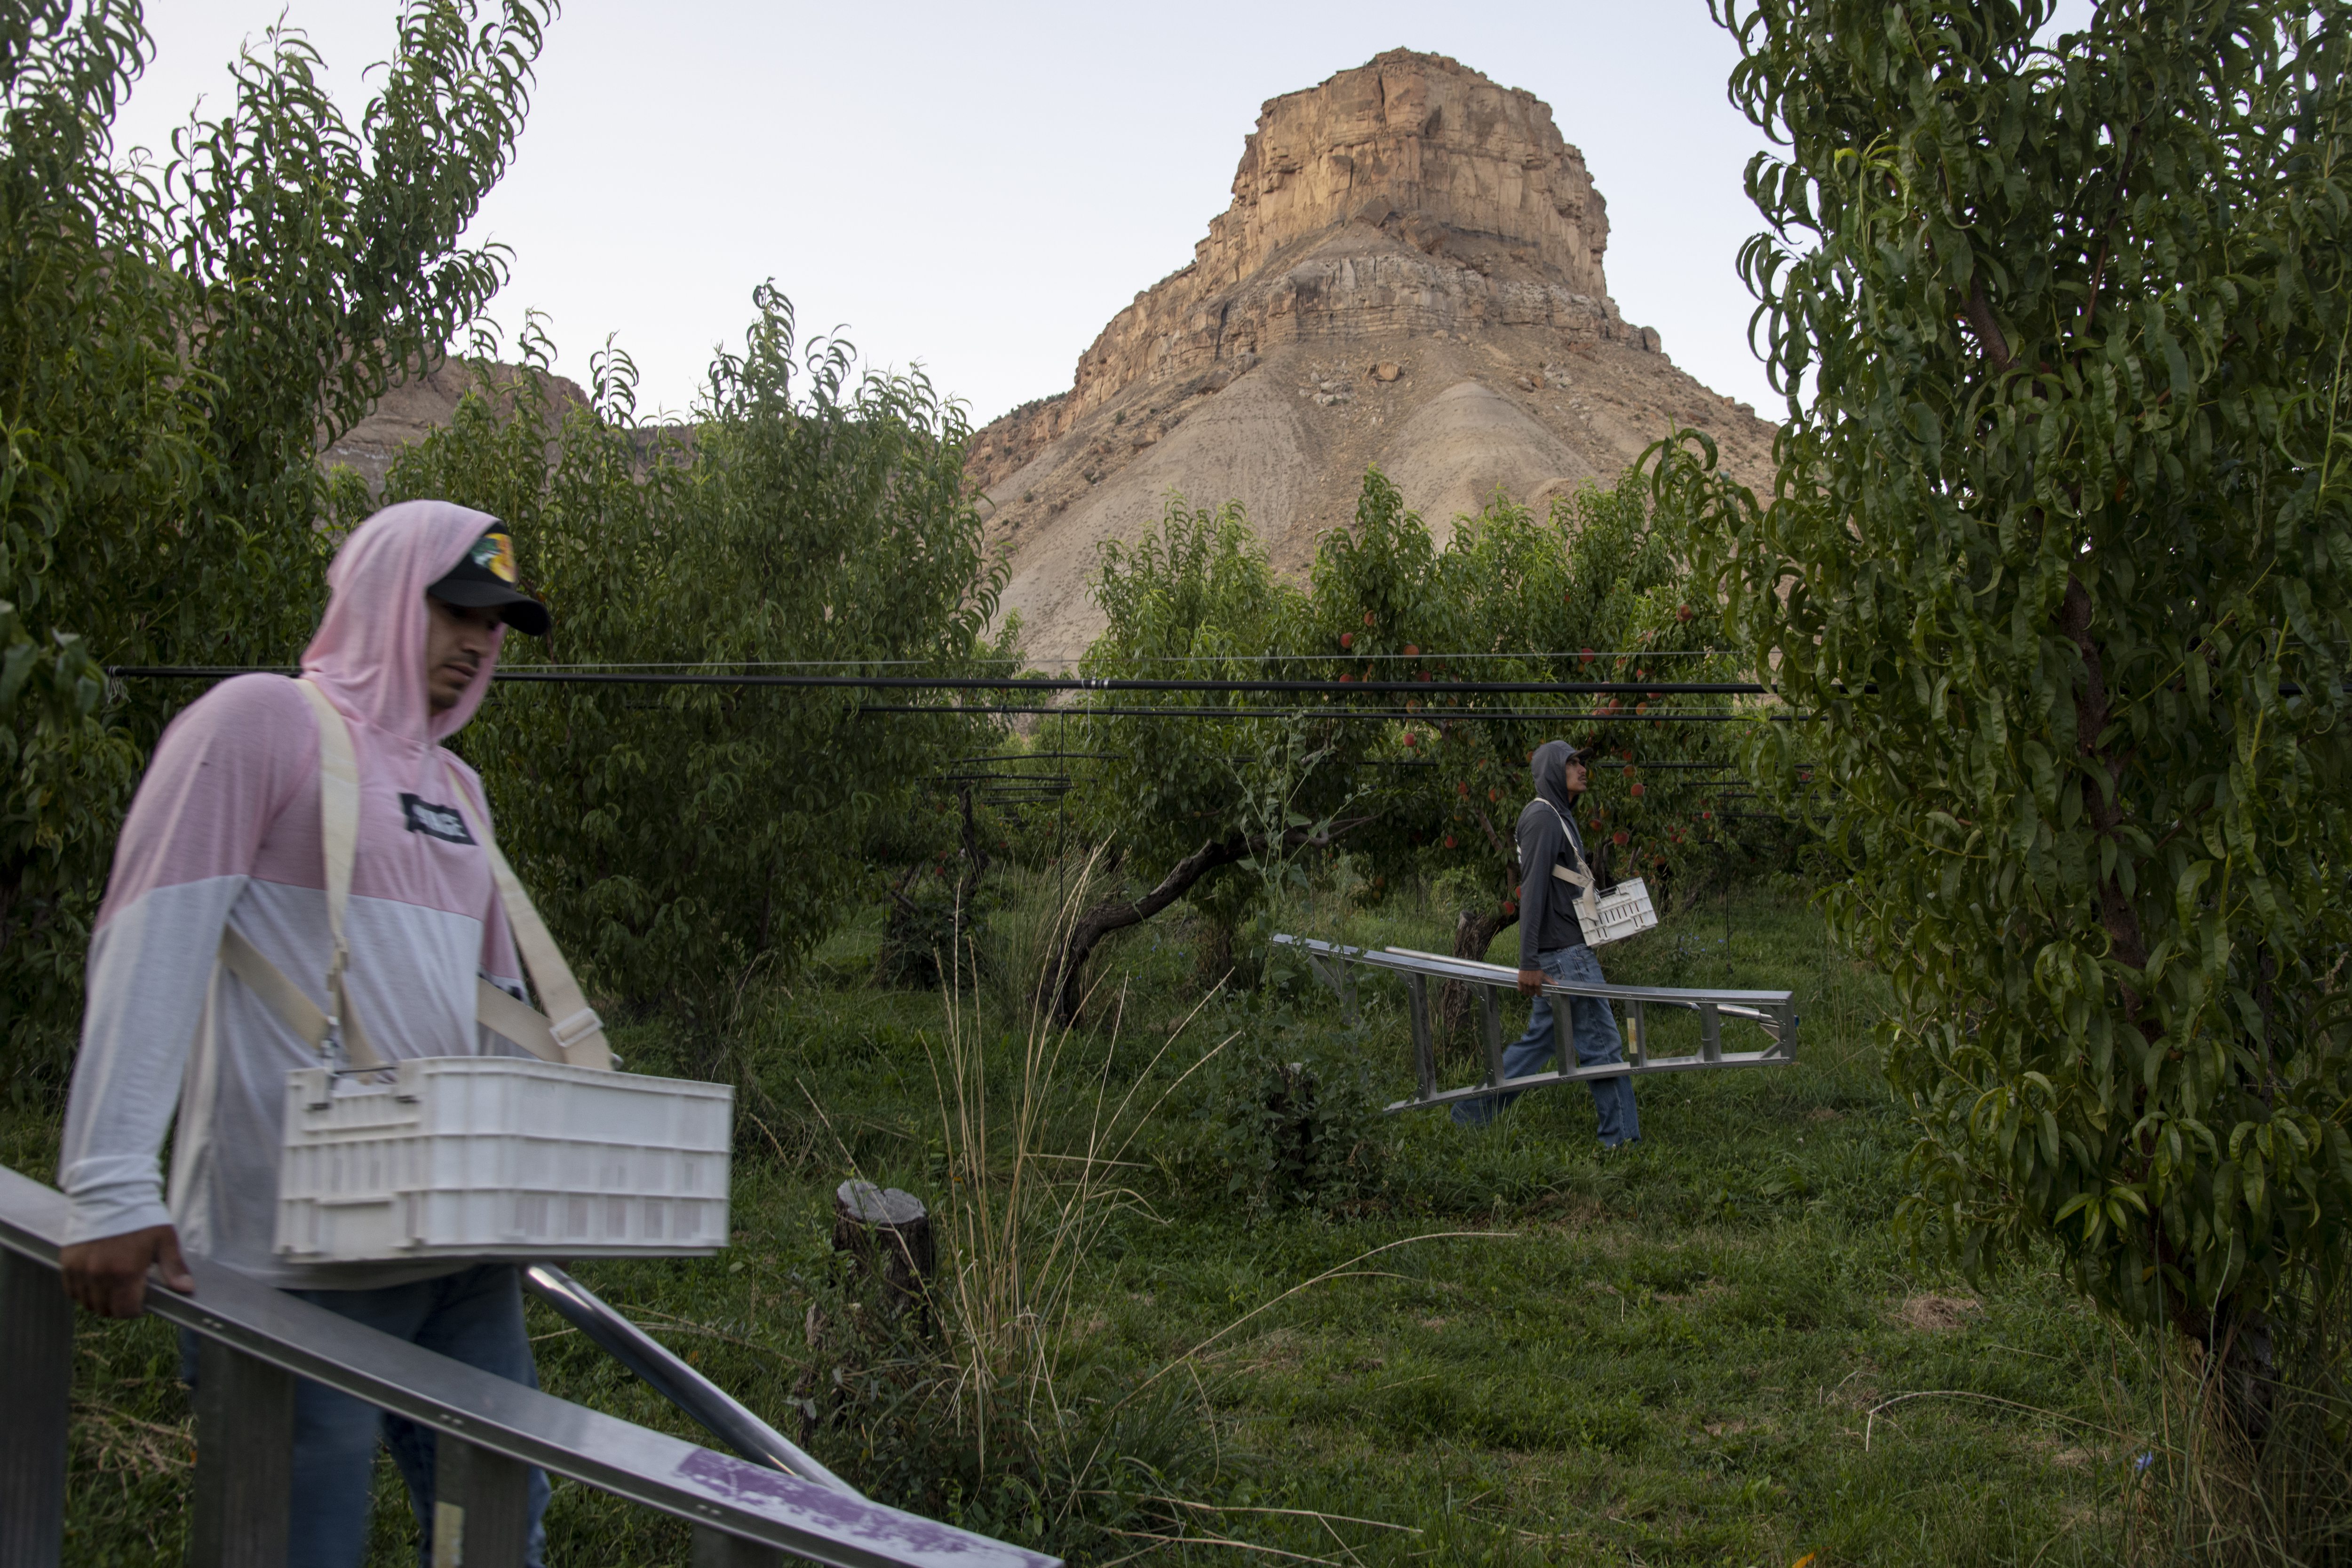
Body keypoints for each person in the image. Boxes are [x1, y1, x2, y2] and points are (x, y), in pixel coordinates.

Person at [55, 501, 556, 1567]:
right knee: (295, 1538)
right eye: (455, 608)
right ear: (381, 594)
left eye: (496, 622)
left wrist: (527, 1178)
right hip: (293, 1256)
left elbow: (496, 1004)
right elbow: (155, 932)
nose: (478, 641)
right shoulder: (262, 725)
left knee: (498, 1526)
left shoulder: (458, 789)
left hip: (452, 1254)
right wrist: (108, 1181)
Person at [1451, 737, 1640, 1147]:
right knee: (1605, 1049)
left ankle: (1470, 1115)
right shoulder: (1543, 819)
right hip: (1564, 957)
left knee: (1538, 1045)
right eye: (1572, 763)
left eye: (1582, 762)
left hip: (1566, 952)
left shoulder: (1560, 817)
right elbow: (1532, 891)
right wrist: (1528, 961)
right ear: (1553, 770)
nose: (1582, 769)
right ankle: (1623, 1141)